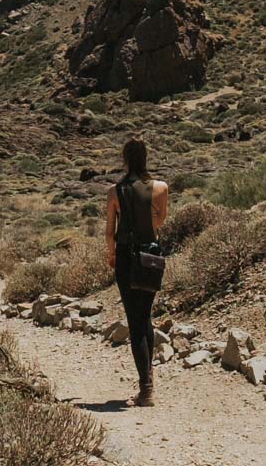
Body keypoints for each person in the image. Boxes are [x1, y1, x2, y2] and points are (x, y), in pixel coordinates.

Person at [103, 137, 168, 407]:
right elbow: (160, 220)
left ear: (125, 159)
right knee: (145, 317)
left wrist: (111, 255)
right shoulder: (161, 188)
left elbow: (110, 232)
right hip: (150, 256)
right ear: (146, 158)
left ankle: (146, 389)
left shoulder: (114, 192)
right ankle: (148, 381)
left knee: (135, 321)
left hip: (126, 259)